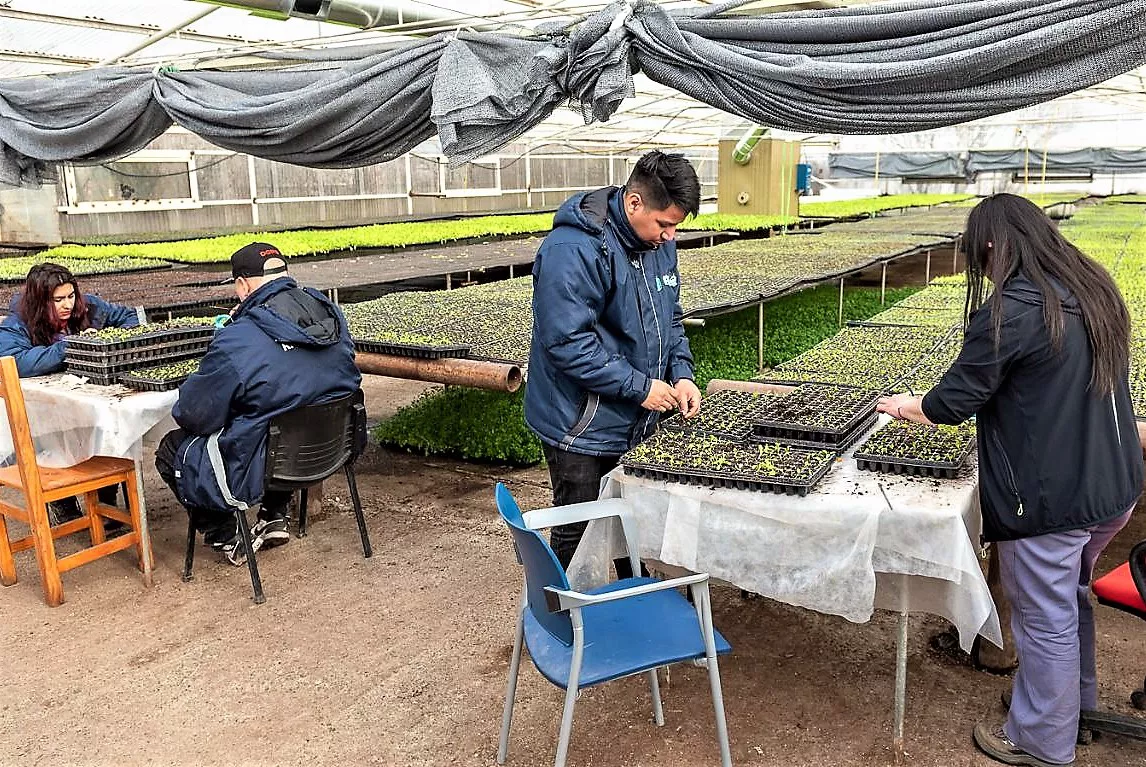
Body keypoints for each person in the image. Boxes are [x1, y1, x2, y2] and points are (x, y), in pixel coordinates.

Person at [877, 194, 1142, 767]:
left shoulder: (1014, 311)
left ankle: (1042, 740)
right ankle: (1074, 710)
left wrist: (906, 406)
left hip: (1052, 499)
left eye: (979, 257)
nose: (983, 270)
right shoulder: (1093, 291)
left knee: (1043, 618)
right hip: (1112, 486)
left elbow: (955, 400)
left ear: (995, 246)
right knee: (1068, 599)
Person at [524, 150, 702, 571]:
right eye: (665, 224)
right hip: (578, 422)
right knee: (579, 524)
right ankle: (565, 621)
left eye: (676, 226)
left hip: (633, 418)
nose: (670, 236)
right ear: (635, 202)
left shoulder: (657, 246)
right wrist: (641, 388)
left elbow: (670, 318)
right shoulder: (574, 249)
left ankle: (630, 604)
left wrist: (681, 374)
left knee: (632, 520)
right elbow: (567, 342)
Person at [155, 242, 360, 566]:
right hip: (331, 449)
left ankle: (227, 536)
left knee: (172, 448)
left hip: (264, 464)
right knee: (284, 411)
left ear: (242, 285)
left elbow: (194, 415)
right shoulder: (329, 312)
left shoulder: (240, 338)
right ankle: (274, 515)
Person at [0, 262, 141, 523]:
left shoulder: (88, 307)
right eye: (58, 300)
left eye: (70, 296)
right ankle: (63, 504)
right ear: (40, 302)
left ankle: (105, 501)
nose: (67, 304)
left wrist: (106, 341)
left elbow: (130, 318)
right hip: (45, 413)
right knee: (51, 442)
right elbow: (14, 359)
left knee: (108, 426)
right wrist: (72, 346)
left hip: (89, 400)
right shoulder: (18, 322)